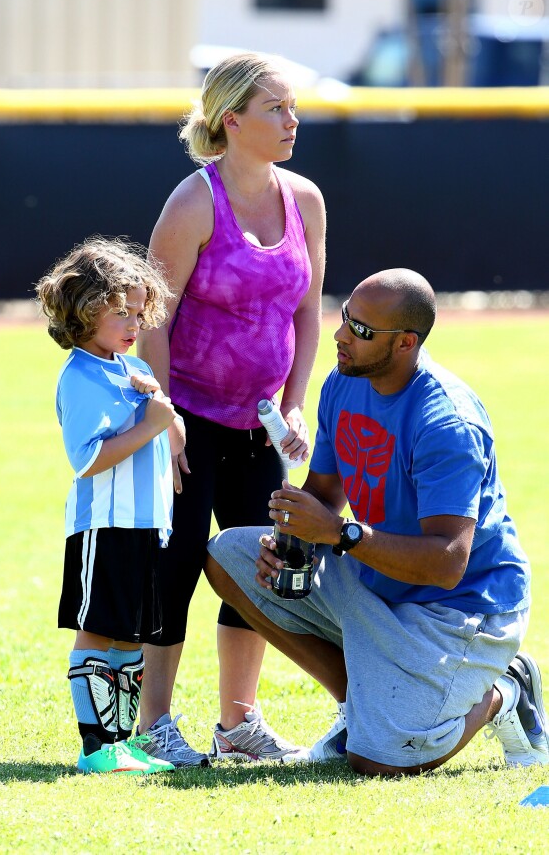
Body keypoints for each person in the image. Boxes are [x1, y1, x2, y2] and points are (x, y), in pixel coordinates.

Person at [205, 268, 549, 775]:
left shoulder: (447, 422)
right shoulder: (344, 382)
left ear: (406, 342)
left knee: (378, 761)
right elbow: (325, 494)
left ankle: (505, 690)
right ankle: (358, 708)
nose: (341, 335)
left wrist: (338, 533)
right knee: (228, 558)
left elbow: (447, 563)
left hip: (460, 607)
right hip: (380, 579)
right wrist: (287, 542)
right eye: (346, 317)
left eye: (361, 330)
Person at [137, 51, 326, 765]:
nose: (291, 120)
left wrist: (295, 404)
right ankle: (153, 724)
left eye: (292, 106)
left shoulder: (306, 199)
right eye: (275, 108)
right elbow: (153, 318)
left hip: (261, 428)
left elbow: (308, 311)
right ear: (232, 119)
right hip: (187, 419)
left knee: (257, 568)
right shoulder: (193, 202)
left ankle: (237, 725)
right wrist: (163, 416)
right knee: (177, 561)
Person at [35, 236, 179, 775]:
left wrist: (166, 419)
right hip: (107, 525)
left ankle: (121, 744)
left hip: (146, 525)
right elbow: (88, 459)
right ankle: (96, 748)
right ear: (84, 309)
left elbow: (165, 427)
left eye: (139, 313)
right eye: (121, 312)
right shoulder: (80, 375)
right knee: (98, 627)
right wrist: (152, 424)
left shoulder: (126, 369)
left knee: (131, 634)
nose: (134, 324)